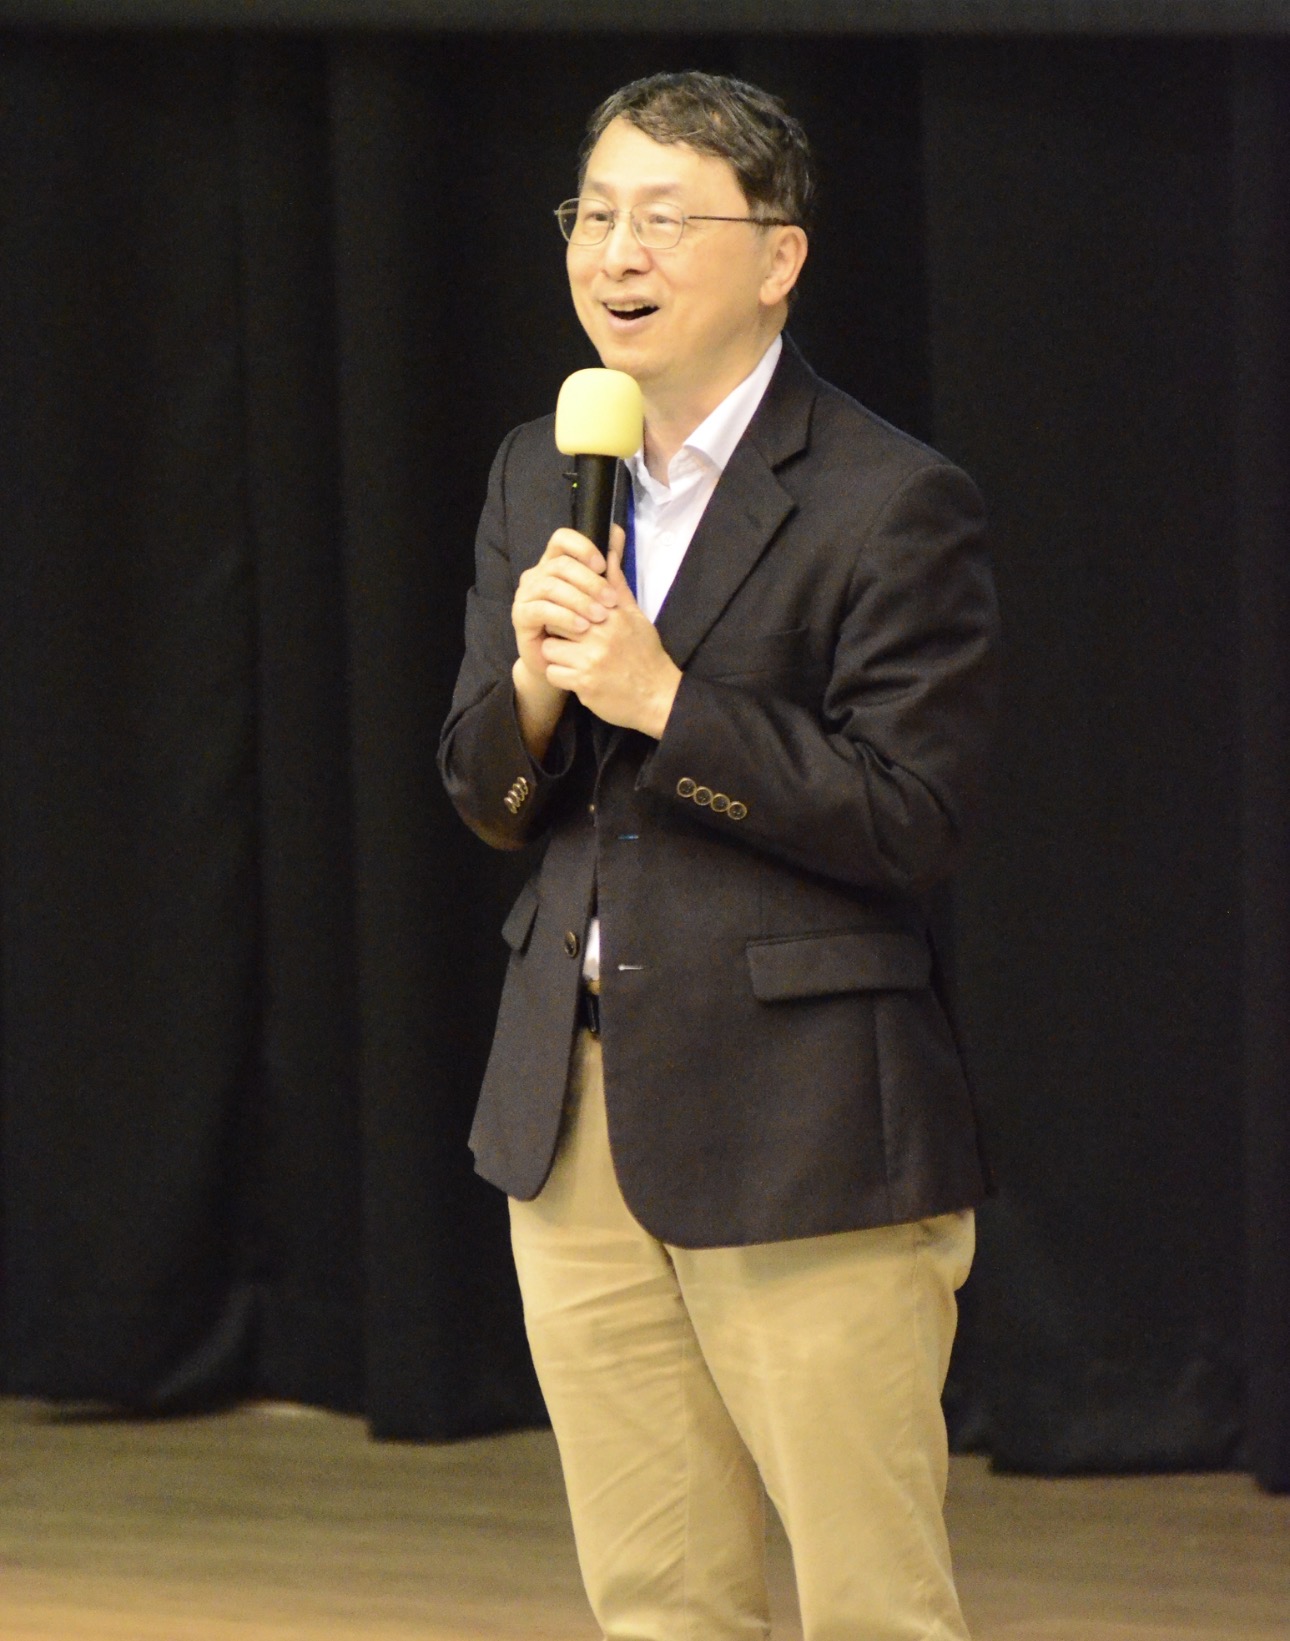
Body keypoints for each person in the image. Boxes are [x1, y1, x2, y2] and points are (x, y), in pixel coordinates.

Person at [439, 70, 998, 1641]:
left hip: (801, 1122)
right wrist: (536, 692)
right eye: (594, 213)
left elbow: (912, 814)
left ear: (776, 257)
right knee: (658, 1605)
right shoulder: (538, 469)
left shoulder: (891, 500)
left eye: (665, 219)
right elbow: (484, 793)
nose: (616, 252)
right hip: (572, 1112)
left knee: (872, 1605)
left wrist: (665, 702)